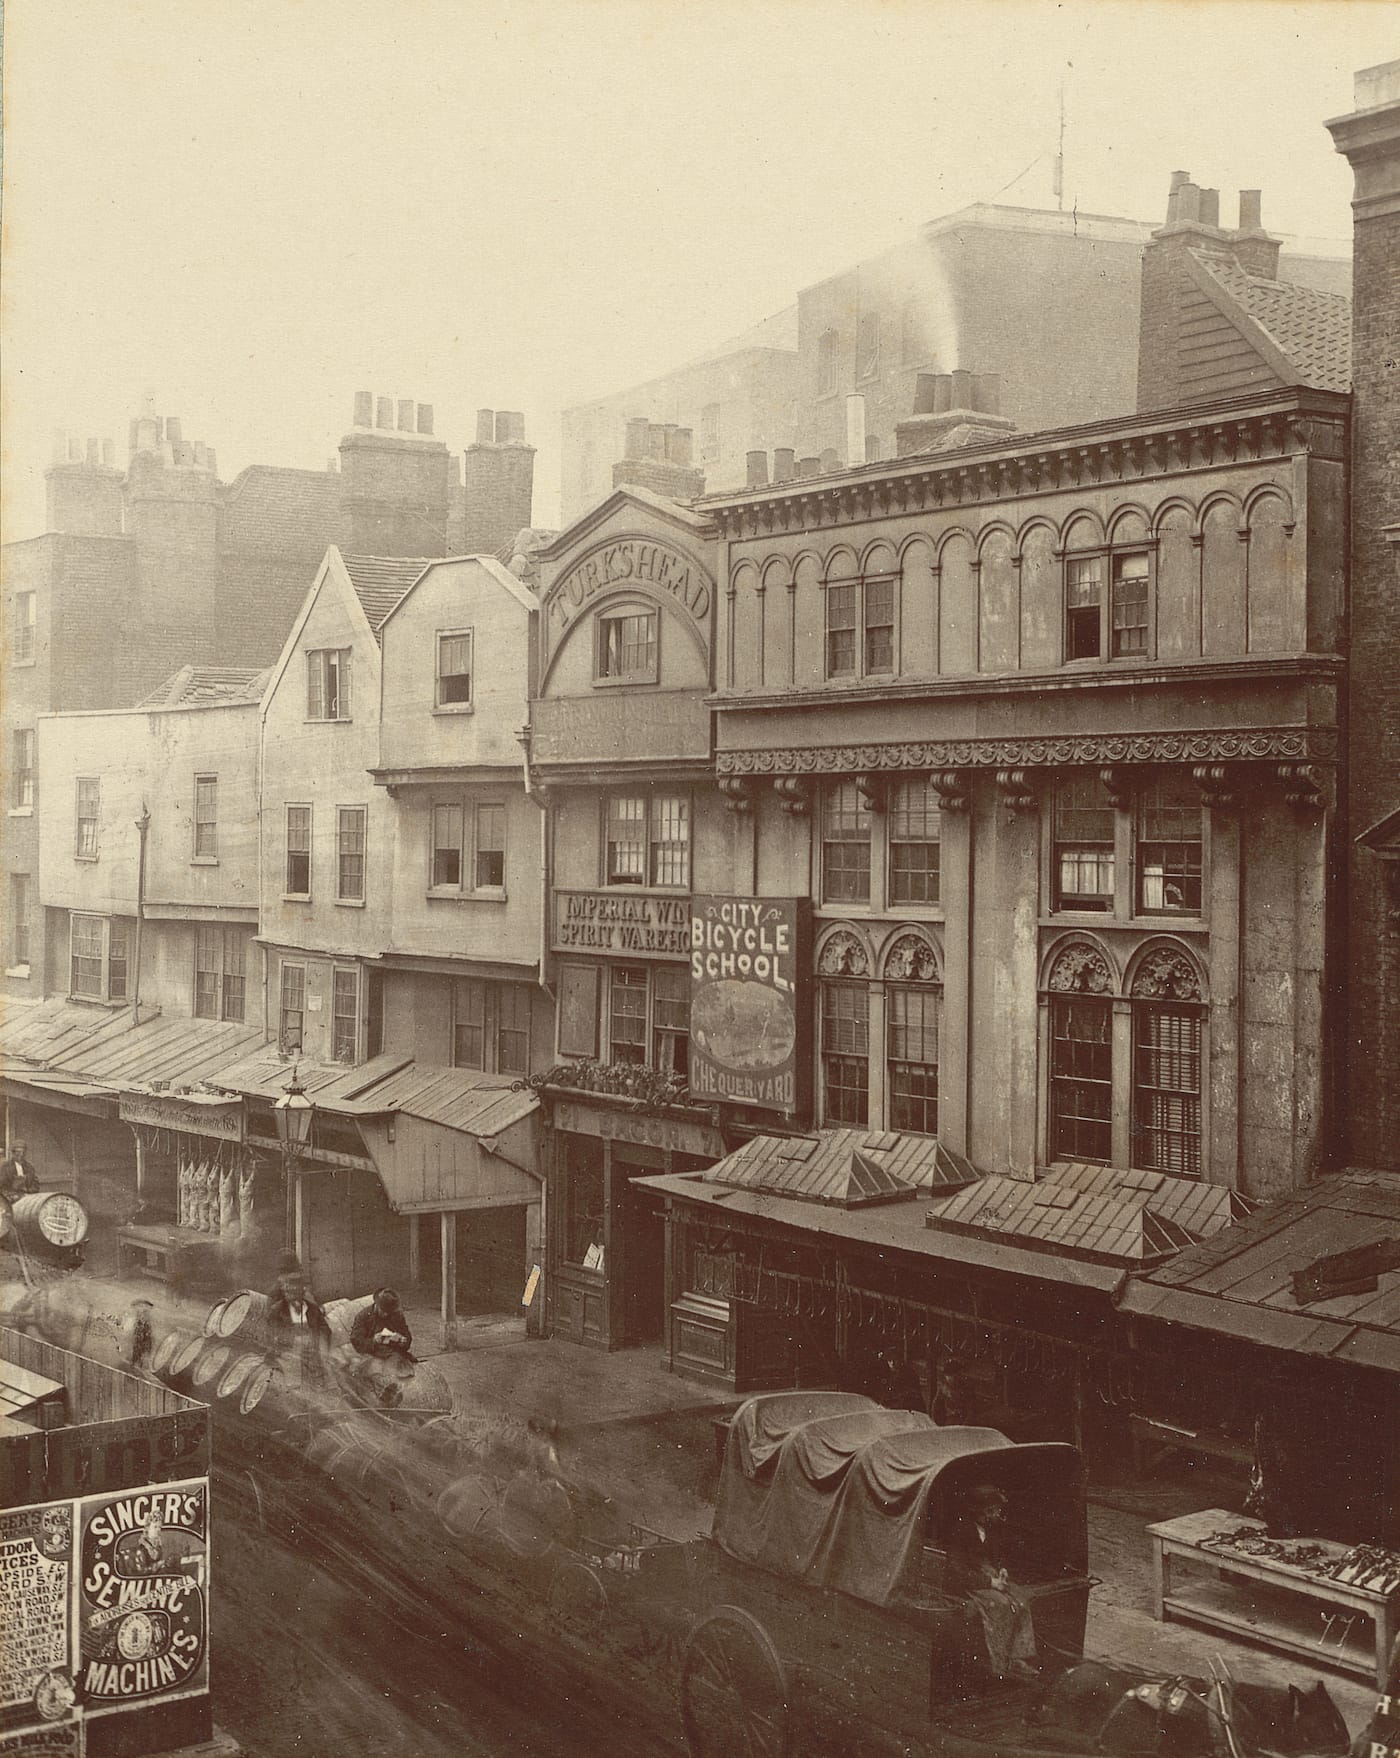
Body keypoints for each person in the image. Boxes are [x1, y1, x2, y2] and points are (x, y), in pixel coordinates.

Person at [944, 1484, 1039, 1685]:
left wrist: (1002, 1569)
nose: (997, 1514)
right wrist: (989, 1582)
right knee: (1001, 1605)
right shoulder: (960, 1530)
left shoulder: (993, 1529)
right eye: (992, 1510)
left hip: (990, 1579)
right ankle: (999, 1663)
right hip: (968, 1585)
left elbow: (998, 1556)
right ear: (980, 1511)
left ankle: (1018, 1658)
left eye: (997, 1510)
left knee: (1022, 1599)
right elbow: (957, 1570)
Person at [267, 1252, 331, 1384]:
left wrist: (321, 1348)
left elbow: (324, 1329)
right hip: (290, 1352)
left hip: (311, 1351)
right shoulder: (277, 1308)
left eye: (297, 1289)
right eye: (288, 1290)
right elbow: (271, 1334)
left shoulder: (311, 1308)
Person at [350, 1288, 414, 1364]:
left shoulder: (396, 1315)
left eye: (389, 1312)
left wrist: (403, 1341)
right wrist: (373, 1340)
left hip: (394, 1354)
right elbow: (356, 1342)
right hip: (372, 1356)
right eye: (383, 1311)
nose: (386, 1314)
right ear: (377, 1304)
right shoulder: (363, 1317)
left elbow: (407, 1336)